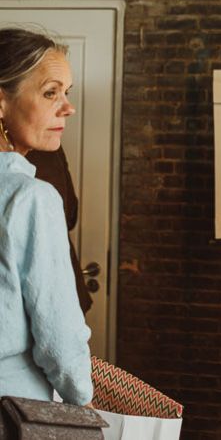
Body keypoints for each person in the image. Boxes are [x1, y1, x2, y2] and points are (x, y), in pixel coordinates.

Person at [0, 27, 93, 405]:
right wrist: (82, 397)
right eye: (50, 92)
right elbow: (60, 339)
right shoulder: (32, 199)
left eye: (66, 93)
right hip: (16, 409)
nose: (67, 107)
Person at [26, 146, 93, 314]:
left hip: (54, 292)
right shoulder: (47, 146)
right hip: (58, 291)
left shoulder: (47, 146)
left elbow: (70, 215)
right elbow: (70, 215)